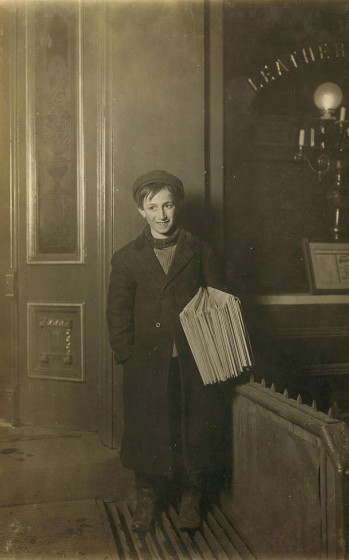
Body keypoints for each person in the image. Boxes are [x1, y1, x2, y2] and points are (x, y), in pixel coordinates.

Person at [106, 169, 228, 533]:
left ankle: (191, 498)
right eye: (153, 206)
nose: (162, 215)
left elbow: (220, 303)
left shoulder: (200, 250)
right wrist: (127, 354)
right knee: (148, 431)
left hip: (194, 362)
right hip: (146, 365)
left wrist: (215, 352)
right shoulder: (127, 258)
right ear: (141, 211)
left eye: (168, 205)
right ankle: (147, 498)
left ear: (179, 206)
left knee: (195, 430)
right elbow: (118, 312)